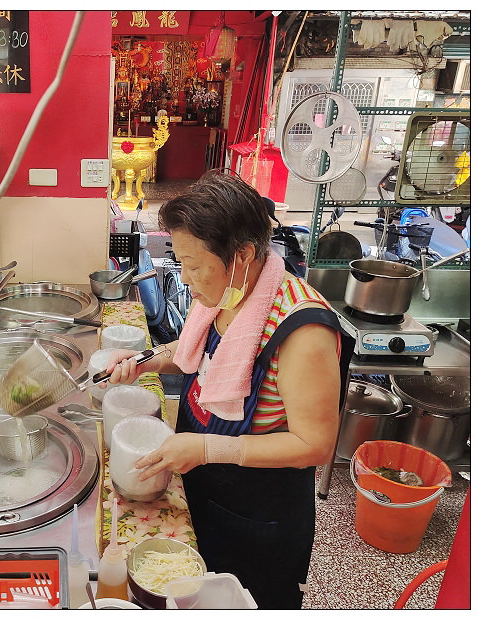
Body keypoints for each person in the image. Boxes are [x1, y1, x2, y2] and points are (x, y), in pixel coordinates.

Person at [105, 171, 353, 609]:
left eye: (194, 266)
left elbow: (314, 445)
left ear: (242, 254)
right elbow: (195, 351)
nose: (186, 279)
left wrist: (207, 448)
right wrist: (144, 360)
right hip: (204, 486)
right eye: (181, 263)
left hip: (255, 515)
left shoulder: (302, 331)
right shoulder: (230, 291)